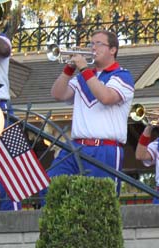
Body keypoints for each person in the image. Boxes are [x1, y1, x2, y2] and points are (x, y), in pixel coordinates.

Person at [47, 30, 133, 191]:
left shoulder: (122, 76)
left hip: (104, 148)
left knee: (99, 200)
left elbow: (106, 97)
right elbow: (58, 94)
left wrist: (84, 69)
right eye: (91, 44)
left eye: (98, 44)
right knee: (51, 186)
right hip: (76, 146)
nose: (93, 47)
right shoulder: (82, 77)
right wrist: (69, 69)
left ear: (113, 50)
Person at [0, 26, 18, 211]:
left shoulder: (2, 39)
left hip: (1, 106)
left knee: (9, 165)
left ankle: (11, 212)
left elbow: (4, 50)